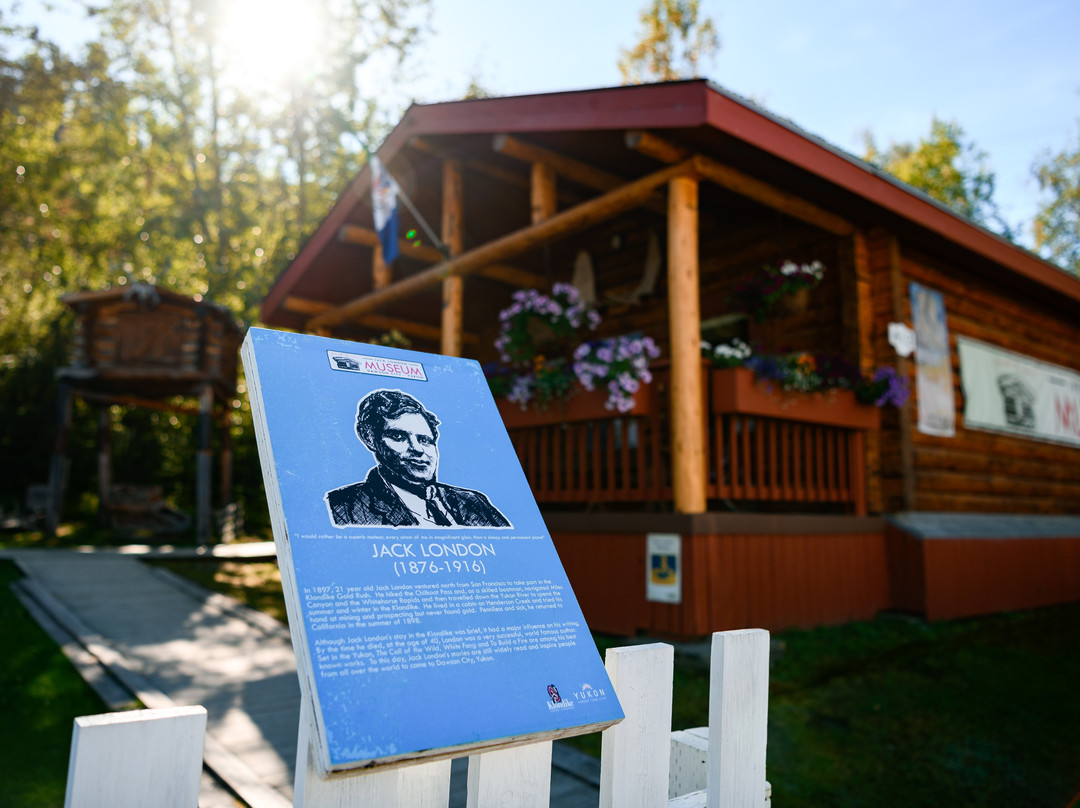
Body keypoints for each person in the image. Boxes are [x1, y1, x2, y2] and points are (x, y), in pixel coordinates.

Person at [325, 389, 511, 528]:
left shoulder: (472, 501)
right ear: (370, 439)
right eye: (399, 437)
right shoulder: (343, 507)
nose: (417, 449)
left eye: (425, 440)